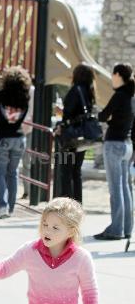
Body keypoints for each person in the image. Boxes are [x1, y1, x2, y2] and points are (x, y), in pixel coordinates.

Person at [0, 197, 99, 304]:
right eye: (45, 224)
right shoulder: (30, 251)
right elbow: (3, 269)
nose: (47, 230)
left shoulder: (81, 258)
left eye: (55, 228)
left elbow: (90, 294)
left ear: (71, 231)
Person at [94, 63, 135, 240]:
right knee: (126, 187)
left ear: (118, 75)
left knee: (115, 188)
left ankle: (115, 229)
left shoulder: (119, 95)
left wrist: (102, 117)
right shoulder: (131, 98)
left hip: (114, 145)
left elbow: (103, 116)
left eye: (112, 74)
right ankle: (126, 228)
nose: (111, 77)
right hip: (127, 145)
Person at [0, 66, 31, 218]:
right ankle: (11, 208)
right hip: (19, 139)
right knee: (13, 173)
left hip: (1, 138)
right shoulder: (25, 98)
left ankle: (1, 207)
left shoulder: (1, 95)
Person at [58, 64, 97, 203]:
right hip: (82, 137)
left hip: (70, 138)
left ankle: (66, 205)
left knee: (66, 171)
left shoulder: (75, 90)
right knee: (76, 171)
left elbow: (68, 115)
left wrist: (60, 120)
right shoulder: (89, 91)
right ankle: (77, 204)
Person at [21, 85, 35, 200]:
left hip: (29, 130)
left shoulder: (32, 91)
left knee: (27, 162)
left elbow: (32, 112)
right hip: (19, 130)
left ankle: (29, 191)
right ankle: (27, 191)